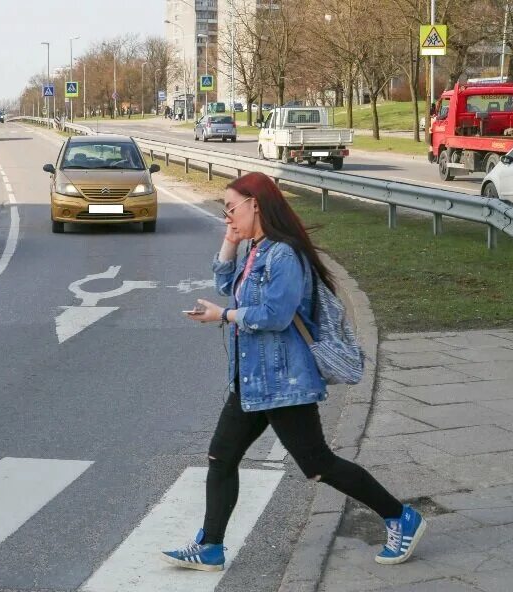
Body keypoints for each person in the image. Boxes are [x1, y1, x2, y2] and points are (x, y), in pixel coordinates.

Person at [161, 172, 426, 572]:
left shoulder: (284, 254)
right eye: (224, 211)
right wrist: (230, 242)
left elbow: (276, 314)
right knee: (221, 456)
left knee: (318, 464)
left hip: (284, 382)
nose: (227, 216)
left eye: (231, 208)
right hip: (251, 382)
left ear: (256, 204)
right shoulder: (256, 248)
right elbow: (224, 285)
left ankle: (399, 516)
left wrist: (225, 316)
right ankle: (211, 546)